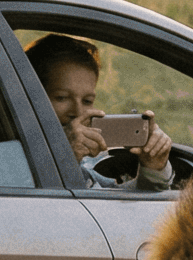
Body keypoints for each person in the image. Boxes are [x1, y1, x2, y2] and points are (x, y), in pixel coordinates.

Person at [25, 34, 173, 190]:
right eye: (61, 97)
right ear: (29, 97)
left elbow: (114, 204)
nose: (78, 111)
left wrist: (154, 168)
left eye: (87, 101)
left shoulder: (83, 166)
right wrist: (63, 156)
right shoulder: (11, 157)